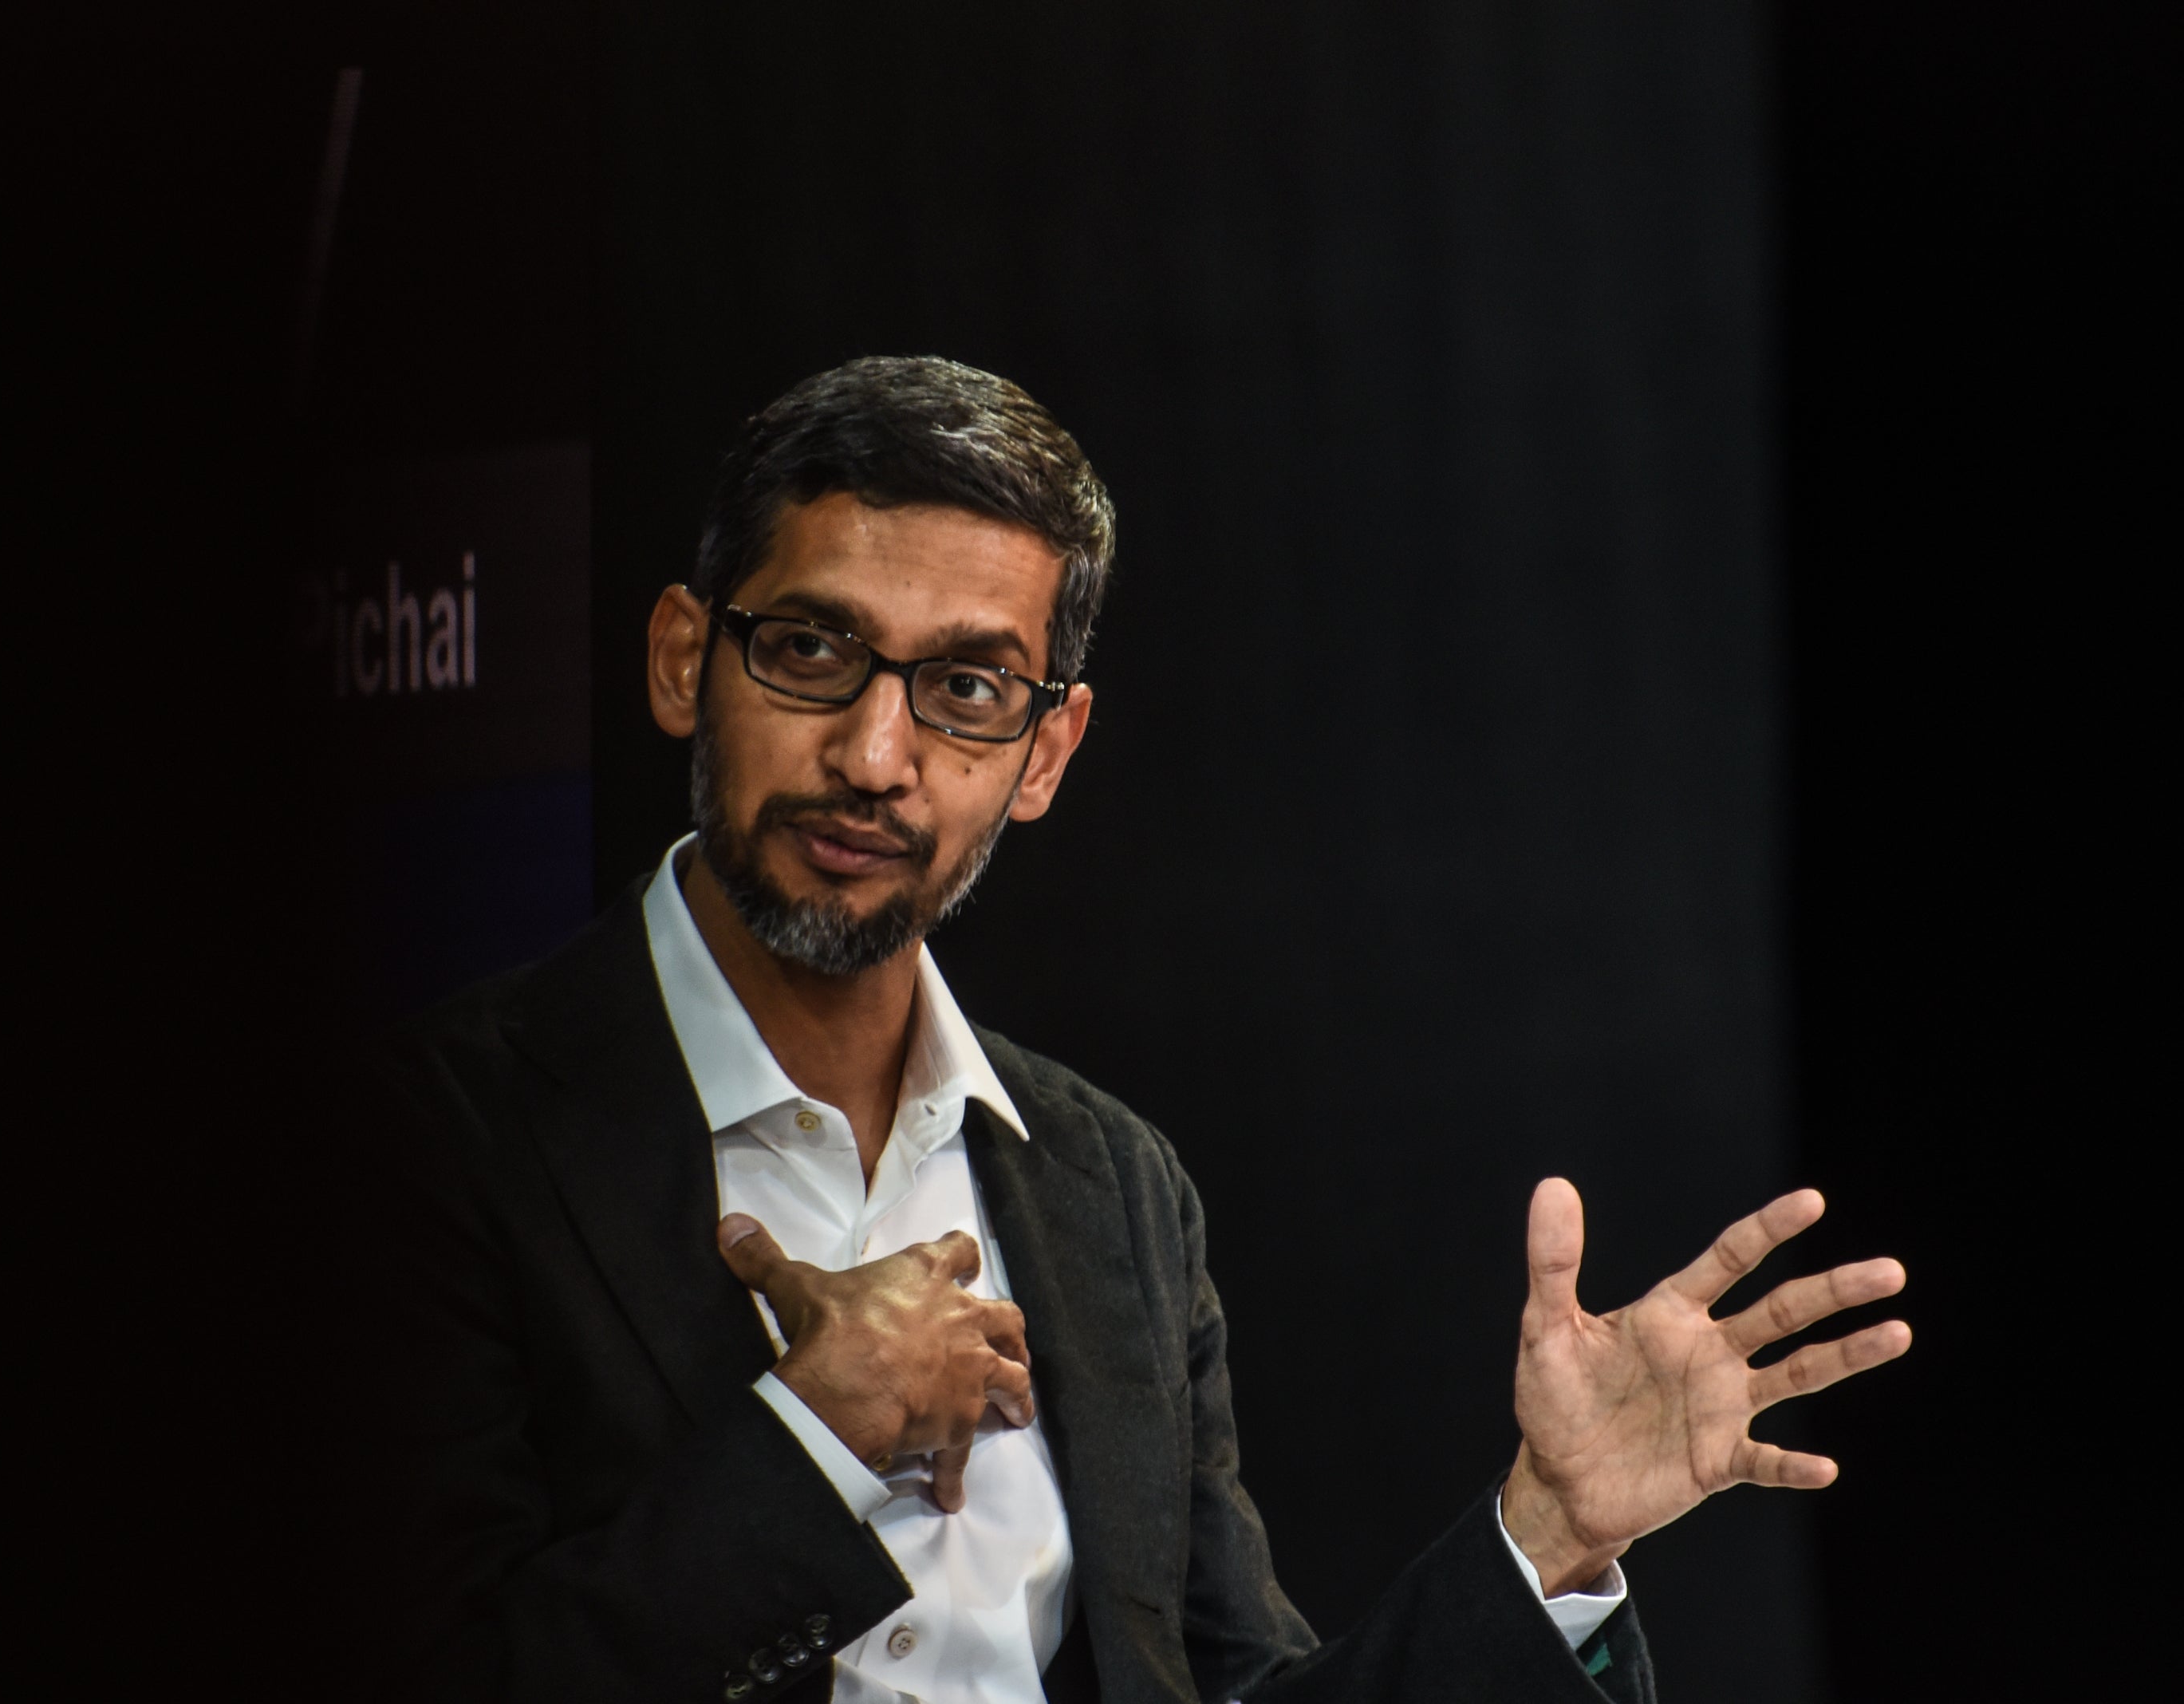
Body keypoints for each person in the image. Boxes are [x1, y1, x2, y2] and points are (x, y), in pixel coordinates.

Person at [313, 357, 1910, 1703]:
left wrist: (1546, 1538)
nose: (877, 756)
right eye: (811, 651)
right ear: (684, 659)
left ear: (1047, 749)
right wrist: (814, 1442)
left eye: (965, 689)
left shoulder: (1109, 1189)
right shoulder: (435, 1138)